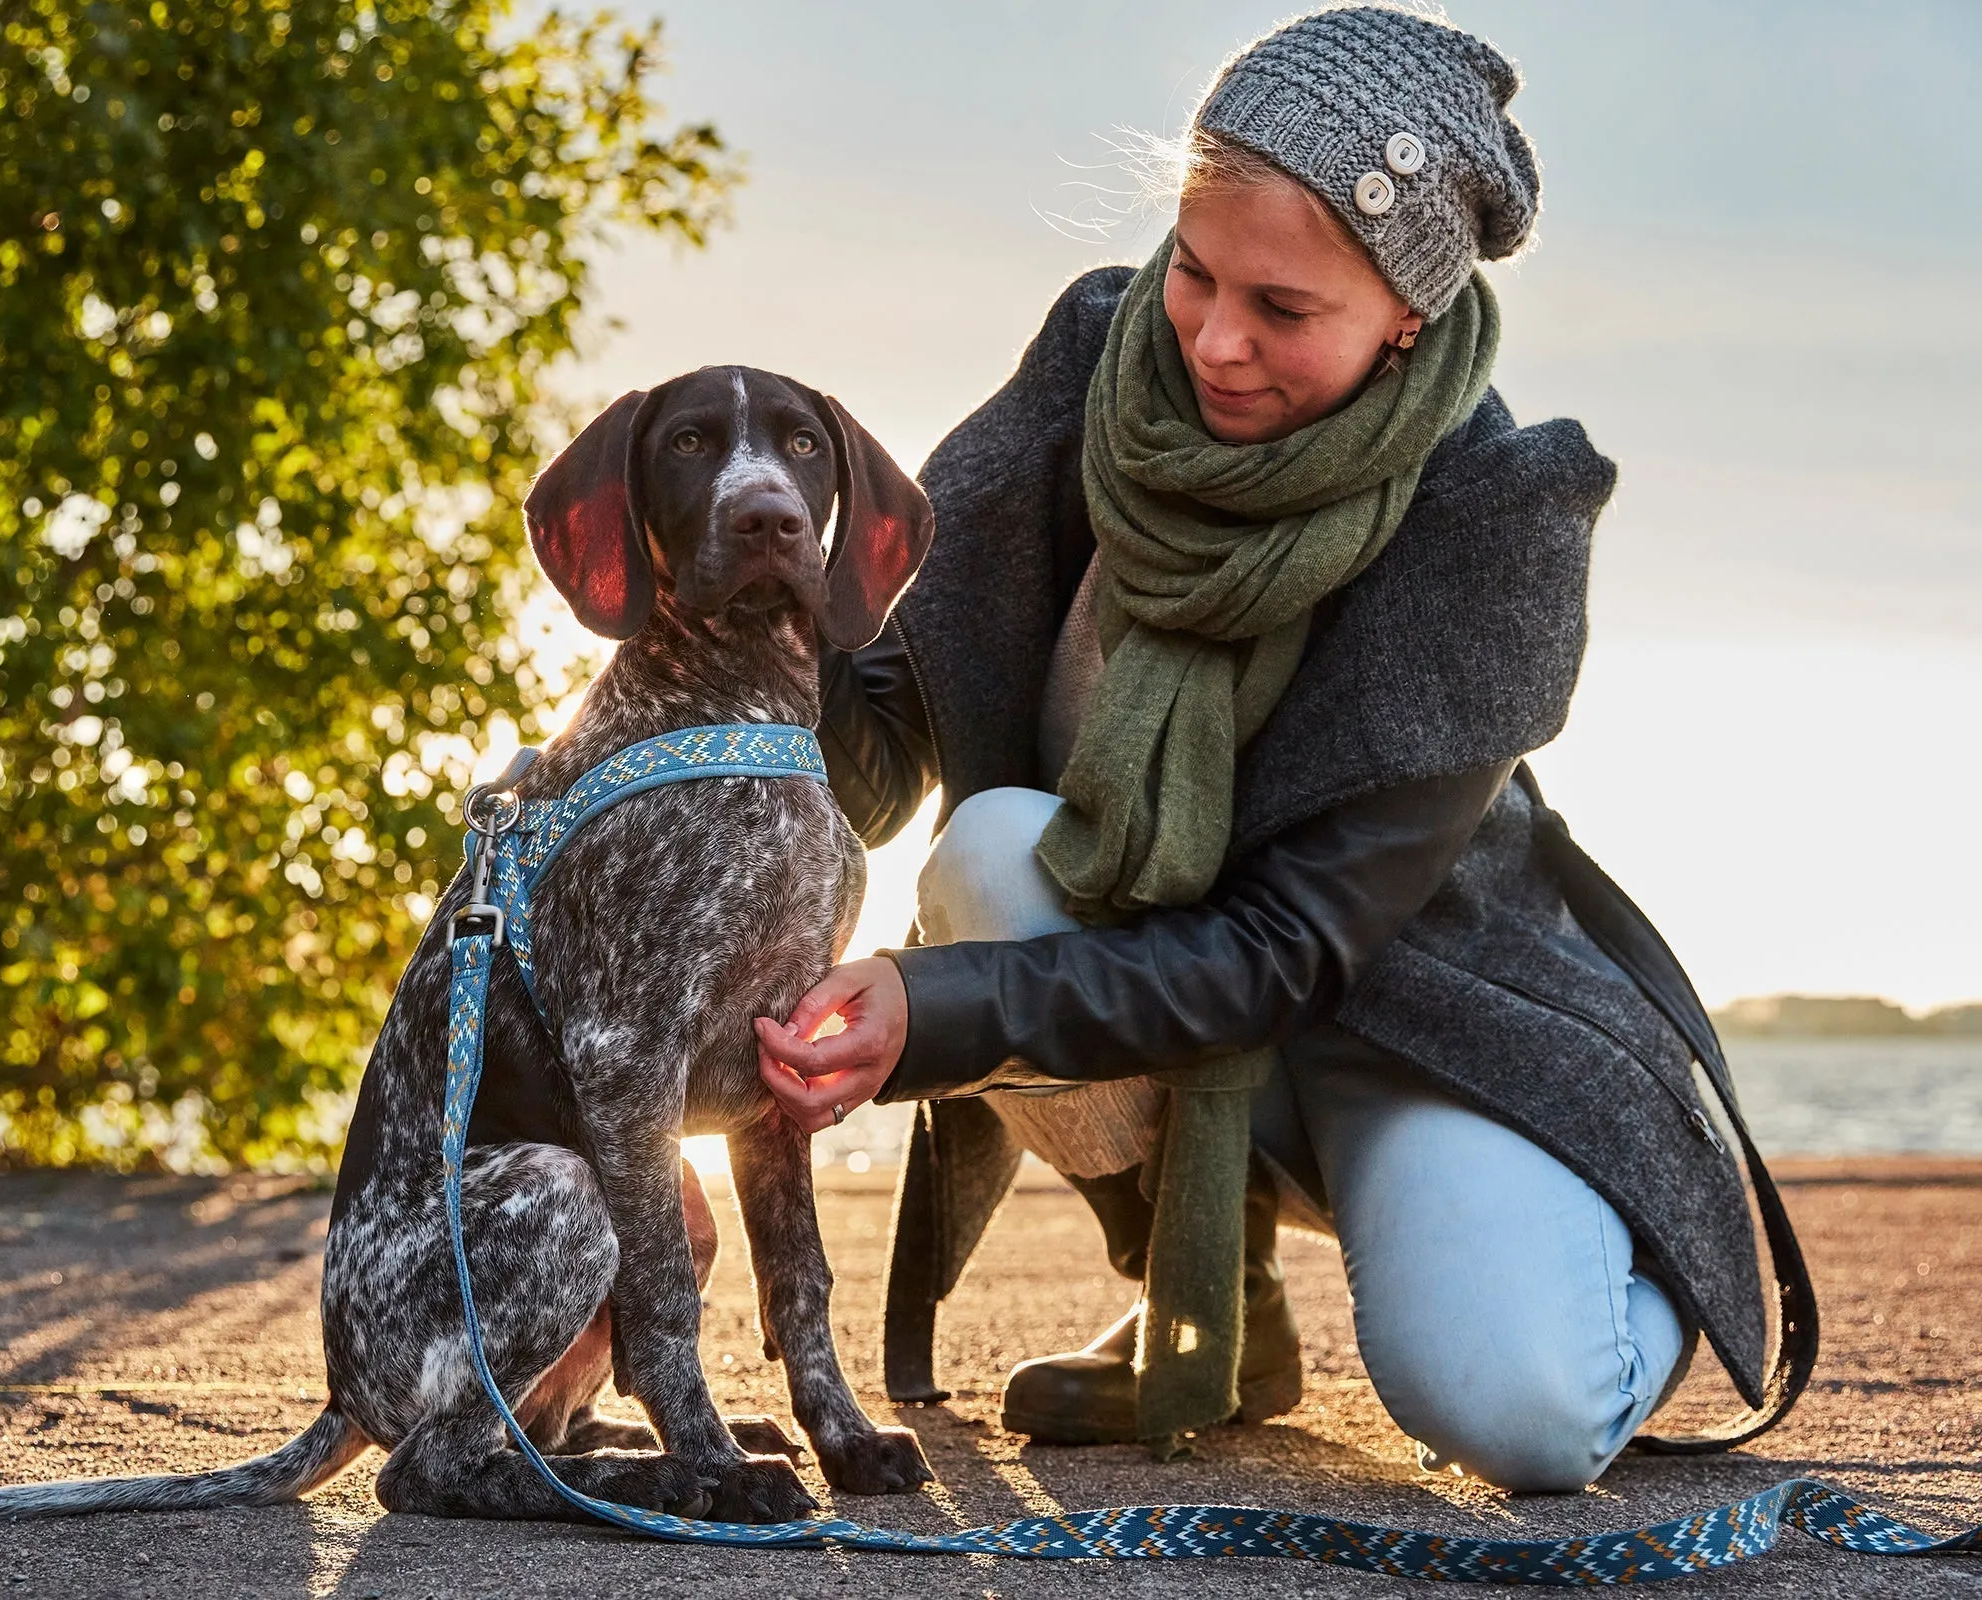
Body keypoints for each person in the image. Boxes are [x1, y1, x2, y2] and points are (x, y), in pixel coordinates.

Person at [756, 6, 1799, 1492]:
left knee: (1521, 1414)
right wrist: (764, 611)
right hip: (1166, 997)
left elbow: (1285, 952)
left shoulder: (1496, 516)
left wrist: (926, 1016)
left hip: (1416, 1022)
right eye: (1195, 271)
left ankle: (1614, 1225)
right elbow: (880, 752)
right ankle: (1213, 1305)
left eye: (1285, 310)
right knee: (992, 845)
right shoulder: (1093, 362)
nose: (1216, 342)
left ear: (1406, 319)